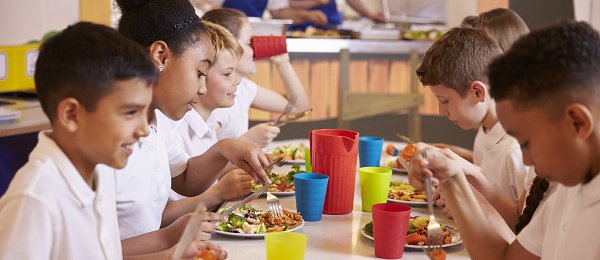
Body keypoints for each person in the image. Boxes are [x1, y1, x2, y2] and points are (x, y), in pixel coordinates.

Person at [0, 22, 225, 260]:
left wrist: (171, 252)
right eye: (130, 113)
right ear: (71, 115)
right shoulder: (36, 199)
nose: (143, 130)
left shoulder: (98, 175)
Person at [409, 20, 600, 259]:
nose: (527, 160)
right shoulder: (567, 192)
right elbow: (505, 256)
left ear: (578, 123)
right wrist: (452, 178)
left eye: (528, 143)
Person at [113, 0, 271, 244]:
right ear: (160, 56)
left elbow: (185, 179)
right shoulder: (107, 140)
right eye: (200, 73)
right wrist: (168, 242)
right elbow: (92, 251)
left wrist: (224, 148)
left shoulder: (158, 122)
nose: (202, 89)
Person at [416, 26, 528, 212]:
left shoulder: (516, 151)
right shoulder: (486, 129)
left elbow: (522, 226)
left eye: (444, 101)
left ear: (477, 92)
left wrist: (465, 203)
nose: (441, 111)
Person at [203, 8, 310, 147]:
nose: (256, 49)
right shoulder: (214, 101)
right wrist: (247, 141)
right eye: (249, 42)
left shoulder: (242, 88)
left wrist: (284, 64)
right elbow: (204, 163)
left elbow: (298, 106)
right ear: (228, 45)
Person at [289, 0, 385, 30]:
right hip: (301, 29)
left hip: (332, 28)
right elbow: (283, 6)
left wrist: (369, 14)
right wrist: (316, 2)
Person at [220, 0, 328, 26]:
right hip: (222, 35)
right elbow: (205, 5)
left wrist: (306, 15)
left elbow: (279, 11)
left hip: (251, 35)